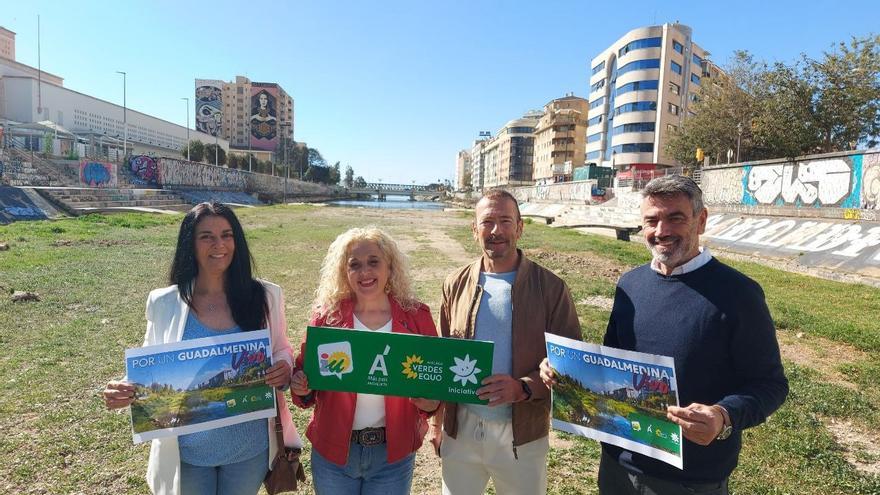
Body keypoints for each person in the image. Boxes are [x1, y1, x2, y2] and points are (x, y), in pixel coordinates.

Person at [541, 175, 789, 494]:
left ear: (701, 220)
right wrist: (563, 371)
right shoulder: (630, 285)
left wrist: (723, 415)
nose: (662, 231)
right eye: (652, 220)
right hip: (618, 467)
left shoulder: (739, 294)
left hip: (689, 479)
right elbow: (611, 364)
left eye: (675, 218)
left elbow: (771, 384)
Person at [103, 202, 301, 495]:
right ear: (190, 244)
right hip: (188, 452)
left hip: (249, 448)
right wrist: (122, 388)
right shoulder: (164, 302)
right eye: (206, 236)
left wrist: (283, 367)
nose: (219, 244)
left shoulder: (266, 296)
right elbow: (150, 364)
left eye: (227, 234)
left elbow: (282, 348)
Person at [430, 188, 581, 495]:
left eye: (505, 221)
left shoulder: (551, 288)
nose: (496, 230)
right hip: (461, 432)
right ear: (475, 230)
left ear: (520, 227)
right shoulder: (454, 283)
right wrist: (438, 422)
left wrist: (523, 387)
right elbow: (442, 356)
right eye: (487, 222)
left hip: (523, 435)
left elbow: (570, 364)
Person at [290, 227, 439, 495]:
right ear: (344, 272)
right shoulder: (327, 318)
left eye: (373, 262)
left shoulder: (417, 317)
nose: (365, 272)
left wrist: (431, 404)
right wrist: (301, 385)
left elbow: (432, 382)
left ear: (390, 267)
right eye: (354, 265)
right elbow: (305, 381)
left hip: (392, 456)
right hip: (334, 453)